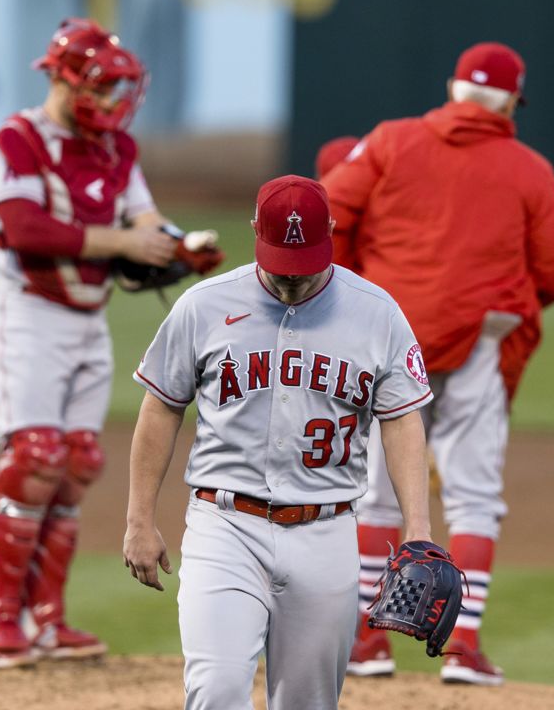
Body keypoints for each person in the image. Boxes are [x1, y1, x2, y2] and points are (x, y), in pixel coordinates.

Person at [123, 175, 435, 710]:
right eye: (282, 265)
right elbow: (161, 407)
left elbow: (402, 419)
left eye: (306, 266)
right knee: (216, 692)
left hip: (327, 531)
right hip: (225, 528)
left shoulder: (377, 312)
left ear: (332, 232)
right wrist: (138, 519)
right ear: (254, 233)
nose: (293, 281)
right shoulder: (204, 306)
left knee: (308, 704)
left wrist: (420, 530)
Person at [321, 41, 554, 685]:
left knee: (375, 493)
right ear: (513, 100)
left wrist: (353, 293)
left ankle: (367, 644)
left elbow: (327, 214)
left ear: (452, 87)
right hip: (477, 347)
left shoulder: (390, 141)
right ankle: (461, 647)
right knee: (474, 496)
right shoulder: (530, 169)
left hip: (388, 342)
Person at [0, 17, 217, 668]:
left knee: (77, 463)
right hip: (25, 314)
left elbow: (145, 219)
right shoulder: (17, 140)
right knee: (35, 456)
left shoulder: (115, 150)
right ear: (62, 76)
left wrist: (181, 246)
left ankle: (47, 619)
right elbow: (22, 227)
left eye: (119, 89)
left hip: (87, 318)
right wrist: (126, 244)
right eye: (103, 87)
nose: (113, 102)